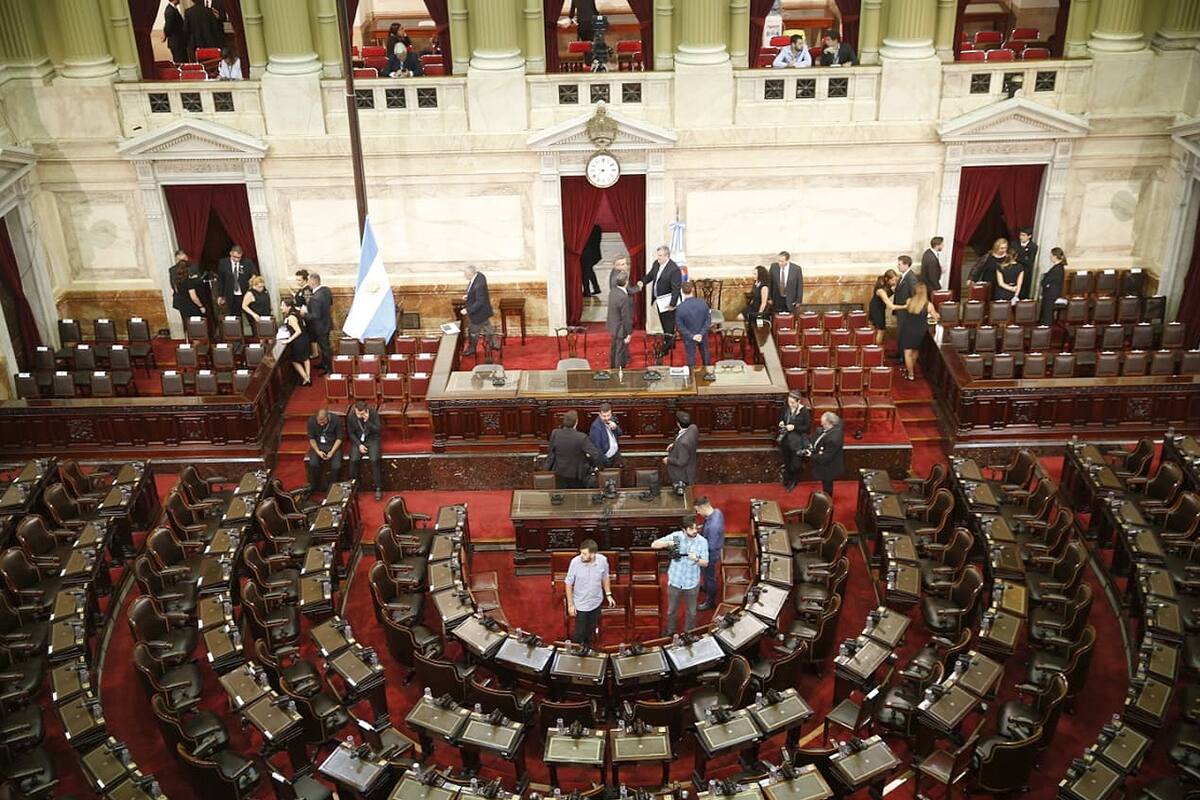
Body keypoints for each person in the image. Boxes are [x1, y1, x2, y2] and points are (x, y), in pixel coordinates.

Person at [651, 517, 709, 636]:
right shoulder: (676, 536)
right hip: (675, 581)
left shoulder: (702, 541)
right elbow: (654, 545)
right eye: (691, 529)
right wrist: (668, 543)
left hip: (691, 583)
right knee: (671, 610)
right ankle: (670, 630)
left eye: (696, 528)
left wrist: (696, 559)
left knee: (692, 612)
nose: (695, 531)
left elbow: (705, 563)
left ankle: (689, 633)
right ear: (683, 529)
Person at [564, 539, 614, 647]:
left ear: (593, 554)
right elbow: (568, 584)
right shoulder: (575, 562)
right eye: (581, 553)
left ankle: (587, 649)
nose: (581, 556)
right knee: (580, 632)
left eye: (584, 554)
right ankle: (576, 650)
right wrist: (570, 605)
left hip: (596, 601)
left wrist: (608, 594)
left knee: (590, 630)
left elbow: (605, 577)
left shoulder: (602, 560)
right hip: (581, 603)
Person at [640, 246, 682, 360]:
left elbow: (676, 289)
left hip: (668, 303)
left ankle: (666, 349)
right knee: (665, 324)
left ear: (667, 256)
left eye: (660, 255)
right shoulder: (656, 264)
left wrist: (672, 304)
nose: (658, 257)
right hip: (659, 301)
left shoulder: (674, 269)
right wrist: (642, 282)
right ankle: (671, 344)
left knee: (668, 326)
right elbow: (650, 276)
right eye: (657, 255)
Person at [547, 410, 599, 489]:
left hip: (559, 474)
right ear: (576, 422)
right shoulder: (581, 437)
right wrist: (595, 466)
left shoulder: (555, 433)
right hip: (576, 476)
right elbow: (595, 454)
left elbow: (550, 451)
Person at [898, 282, 939, 381]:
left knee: (907, 352)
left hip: (908, 329)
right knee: (915, 350)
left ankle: (910, 374)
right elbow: (936, 317)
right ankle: (911, 369)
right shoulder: (928, 305)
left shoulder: (909, 301)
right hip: (920, 330)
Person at [346, 400, 384, 500]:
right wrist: (359, 445)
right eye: (358, 413)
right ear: (355, 410)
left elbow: (378, 430)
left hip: (372, 440)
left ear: (366, 410)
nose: (360, 416)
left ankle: (378, 487)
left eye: (362, 414)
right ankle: (354, 487)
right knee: (353, 460)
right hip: (358, 441)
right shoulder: (351, 416)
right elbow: (351, 433)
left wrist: (368, 422)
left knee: (374, 460)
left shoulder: (373, 413)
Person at [694, 497, 725, 611]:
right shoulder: (717, 512)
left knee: (709, 577)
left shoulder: (713, 526)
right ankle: (706, 587)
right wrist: (703, 529)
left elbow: (710, 546)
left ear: (702, 507)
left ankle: (710, 602)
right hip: (714, 548)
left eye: (698, 510)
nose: (698, 513)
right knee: (706, 575)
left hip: (710, 556)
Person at [778, 389, 812, 491]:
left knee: (796, 464)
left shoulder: (804, 412)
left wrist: (794, 427)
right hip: (786, 440)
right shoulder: (786, 408)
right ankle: (787, 478)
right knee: (787, 461)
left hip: (797, 442)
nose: (790, 404)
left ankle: (794, 480)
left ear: (798, 401)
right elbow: (781, 418)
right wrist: (781, 422)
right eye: (789, 402)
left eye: (793, 403)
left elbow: (807, 428)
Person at [675, 282, 713, 373]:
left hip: (689, 337)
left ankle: (691, 376)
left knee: (690, 356)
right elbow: (708, 320)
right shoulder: (703, 303)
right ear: (692, 290)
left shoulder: (680, 308)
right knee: (705, 353)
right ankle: (708, 374)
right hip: (702, 335)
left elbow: (680, 325)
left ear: (682, 292)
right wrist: (701, 334)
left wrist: (692, 336)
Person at [460, 264, 497, 357]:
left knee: (472, 332)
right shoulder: (479, 276)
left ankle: (471, 349)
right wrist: (469, 296)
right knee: (487, 327)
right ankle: (495, 344)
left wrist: (468, 310)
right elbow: (476, 293)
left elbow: (480, 301)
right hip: (484, 311)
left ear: (471, 274)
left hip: (479, 313)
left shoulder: (479, 284)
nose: (464, 276)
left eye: (465, 274)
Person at [216, 244, 257, 325]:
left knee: (251, 317)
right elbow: (221, 280)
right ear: (230, 253)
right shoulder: (223, 263)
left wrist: (252, 280)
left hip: (246, 294)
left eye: (239, 257)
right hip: (232, 295)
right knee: (236, 318)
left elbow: (254, 274)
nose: (237, 259)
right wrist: (220, 295)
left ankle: (254, 332)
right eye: (234, 257)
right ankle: (239, 333)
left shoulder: (247, 262)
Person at [305, 407, 343, 491]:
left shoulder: (336, 420)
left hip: (333, 445)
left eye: (323, 422)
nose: (321, 424)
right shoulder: (311, 421)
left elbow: (339, 438)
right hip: (318, 445)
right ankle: (314, 486)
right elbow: (311, 439)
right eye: (319, 422)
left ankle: (333, 487)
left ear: (327, 417)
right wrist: (318, 451)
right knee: (313, 463)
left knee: (336, 466)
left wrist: (332, 452)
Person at [807, 412, 844, 496]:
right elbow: (840, 421)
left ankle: (828, 500)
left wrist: (811, 455)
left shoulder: (833, 439)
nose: (821, 424)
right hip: (828, 463)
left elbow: (825, 457)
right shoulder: (836, 425)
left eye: (823, 423)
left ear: (830, 423)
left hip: (829, 467)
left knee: (827, 485)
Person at [278, 298, 311, 384]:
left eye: (282, 305)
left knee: (294, 360)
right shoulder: (296, 313)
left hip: (298, 341)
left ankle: (305, 378)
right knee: (306, 358)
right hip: (305, 339)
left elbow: (298, 331)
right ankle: (308, 377)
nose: (281, 307)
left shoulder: (291, 317)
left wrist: (289, 340)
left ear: (288, 307)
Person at [306, 272, 334, 374]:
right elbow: (330, 303)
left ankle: (329, 369)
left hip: (320, 327)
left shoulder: (315, 298)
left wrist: (304, 314)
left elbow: (315, 315)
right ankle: (323, 363)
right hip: (327, 323)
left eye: (308, 281)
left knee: (325, 348)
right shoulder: (326, 290)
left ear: (312, 282)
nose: (308, 283)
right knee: (324, 347)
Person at [170, 251, 205, 329]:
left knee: (188, 325)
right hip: (192, 302)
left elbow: (174, 287)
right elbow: (193, 295)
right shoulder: (188, 280)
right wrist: (201, 306)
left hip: (183, 301)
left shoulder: (192, 268)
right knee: (197, 326)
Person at [607, 270, 633, 369]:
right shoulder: (624, 297)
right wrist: (629, 333)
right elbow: (626, 317)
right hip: (621, 329)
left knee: (614, 349)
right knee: (620, 352)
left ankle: (613, 368)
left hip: (613, 326)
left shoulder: (613, 291)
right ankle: (618, 372)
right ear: (626, 282)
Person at [664, 410, 699, 486]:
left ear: (678, 423)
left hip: (682, 475)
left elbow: (681, 462)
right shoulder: (694, 428)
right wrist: (674, 444)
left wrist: (668, 460)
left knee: (681, 490)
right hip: (691, 466)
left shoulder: (683, 443)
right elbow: (683, 439)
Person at [869, 269, 899, 347]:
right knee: (881, 330)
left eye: (895, 280)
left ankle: (872, 347)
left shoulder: (885, 284)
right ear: (886, 279)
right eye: (893, 280)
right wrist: (906, 306)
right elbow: (891, 305)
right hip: (877, 309)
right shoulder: (881, 290)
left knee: (874, 328)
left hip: (876, 306)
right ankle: (877, 349)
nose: (894, 282)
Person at [589, 403, 623, 469]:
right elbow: (597, 448)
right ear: (599, 414)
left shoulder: (612, 419)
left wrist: (615, 428)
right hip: (607, 459)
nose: (606, 418)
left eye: (608, 415)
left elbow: (620, 433)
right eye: (604, 416)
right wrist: (606, 462)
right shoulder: (596, 427)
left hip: (616, 454)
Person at [1039, 247, 1067, 326]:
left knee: (1047, 315)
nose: (1050, 257)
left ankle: (1046, 328)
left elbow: (1045, 281)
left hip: (1050, 295)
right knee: (1046, 313)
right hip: (1051, 293)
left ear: (1055, 256)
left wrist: (1044, 283)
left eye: (1051, 255)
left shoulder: (1057, 269)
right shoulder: (1059, 267)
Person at [1014, 227, 1038, 300]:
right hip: (1014, 271)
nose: (1021, 237)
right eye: (1020, 235)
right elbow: (1012, 257)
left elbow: (1030, 262)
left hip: (1026, 272)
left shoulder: (1033, 246)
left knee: (1023, 292)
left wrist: (1018, 258)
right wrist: (1024, 258)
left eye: (1023, 235)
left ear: (1029, 236)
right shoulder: (1014, 244)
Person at [581, 224, 602, 297]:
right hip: (594, 254)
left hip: (587, 254)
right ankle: (596, 288)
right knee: (589, 270)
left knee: (585, 272)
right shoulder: (597, 228)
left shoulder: (586, 228)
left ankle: (587, 291)